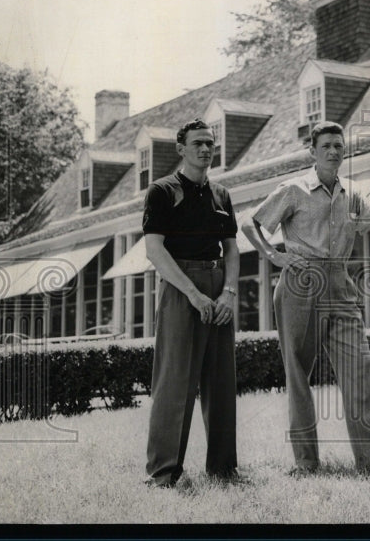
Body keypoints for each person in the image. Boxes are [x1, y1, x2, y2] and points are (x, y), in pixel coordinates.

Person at [242, 121, 370, 476]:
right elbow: (250, 224)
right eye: (327, 145)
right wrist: (275, 257)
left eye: (339, 145)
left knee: (360, 370)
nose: (334, 151)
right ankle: (306, 463)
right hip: (299, 283)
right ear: (312, 151)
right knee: (298, 375)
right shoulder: (294, 189)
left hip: (340, 283)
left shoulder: (352, 196)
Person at [143, 118, 239, 487]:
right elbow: (155, 250)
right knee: (174, 382)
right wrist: (194, 294)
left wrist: (228, 292)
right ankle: (164, 473)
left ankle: (223, 470)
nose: (205, 149)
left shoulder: (222, 196)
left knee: (220, 383)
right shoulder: (162, 191)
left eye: (210, 143)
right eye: (198, 143)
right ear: (181, 149)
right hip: (180, 286)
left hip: (218, 286)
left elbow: (231, 249)